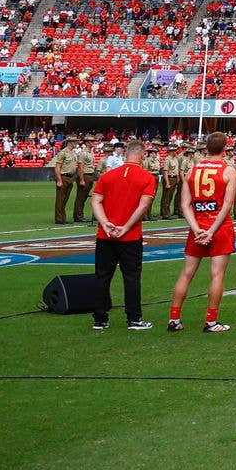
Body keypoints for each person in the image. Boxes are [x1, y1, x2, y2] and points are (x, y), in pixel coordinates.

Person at [166, 131, 236, 332]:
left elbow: (184, 204)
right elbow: (227, 205)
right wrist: (211, 231)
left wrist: (197, 229)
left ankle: (174, 319)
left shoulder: (193, 169)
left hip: (197, 225)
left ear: (206, 147)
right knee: (217, 275)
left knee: (186, 274)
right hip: (219, 227)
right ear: (225, 149)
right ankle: (211, 321)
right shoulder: (228, 170)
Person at [88, 139, 158, 332]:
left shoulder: (109, 176)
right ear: (142, 155)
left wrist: (105, 223)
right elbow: (143, 206)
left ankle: (100, 319)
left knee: (102, 276)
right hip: (130, 236)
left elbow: (95, 201)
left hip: (105, 234)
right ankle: (134, 318)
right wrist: (126, 227)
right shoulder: (147, 177)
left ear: (125, 154)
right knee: (132, 277)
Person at [48, 135, 81, 225]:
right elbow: (57, 167)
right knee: (60, 199)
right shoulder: (63, 152)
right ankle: (59, 218)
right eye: (75, 141)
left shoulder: (73, 153)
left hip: (70, 177)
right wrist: (59, 180)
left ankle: (63, 217)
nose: (76, 143)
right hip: (63, 176)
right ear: (70, 142)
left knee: (65, 198)